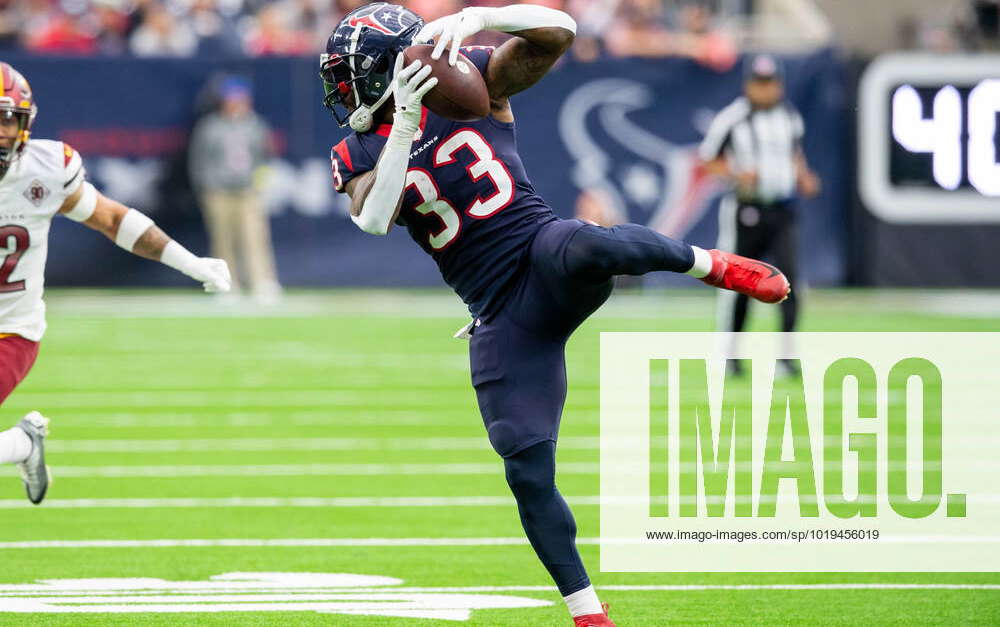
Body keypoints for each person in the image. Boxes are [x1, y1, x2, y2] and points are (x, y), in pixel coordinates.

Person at [322, 5, 789, 625]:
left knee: (593, 242)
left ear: (385, 68)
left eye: (348, 75)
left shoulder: (469, 80)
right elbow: (374, 218)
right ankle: (587, 610)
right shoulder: (356, 150)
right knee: (525, 466)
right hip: (498, 311)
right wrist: (404, 123)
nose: (341, 91)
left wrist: (481, 15)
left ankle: (715, 266)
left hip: (543, 253)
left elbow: (559, 32)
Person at [0, 62, 231, 505]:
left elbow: (113, 220)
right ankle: (23, 444)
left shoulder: (46, 170)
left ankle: (25, 443)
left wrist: (190, 263)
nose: (1, 131)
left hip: (10, 332)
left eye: (7, 118)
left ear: (26, 122)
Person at [699, 54, 820, 376]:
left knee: (790, 283)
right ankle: (730, 355)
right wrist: (738, 173)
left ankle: (785, 357)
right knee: (740, 283)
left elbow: (794, 153)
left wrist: (803, 175)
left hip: (783, 209)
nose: (765, 90)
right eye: (759, 83)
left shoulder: (790, 116)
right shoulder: (733, 118)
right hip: (746, 210)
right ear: (748, 85)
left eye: (770, 84)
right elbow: (708, 159)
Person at [189, 76, 281, 302]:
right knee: (223, 239)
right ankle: (227, 284)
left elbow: (265, 158)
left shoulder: (255, 125)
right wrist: (207, 186)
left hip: (247, 191)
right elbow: (199, 160)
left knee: (255, 238)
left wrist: (260, 183)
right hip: (218, 192)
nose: (237, 102)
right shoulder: (210, 126)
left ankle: (263, 282)